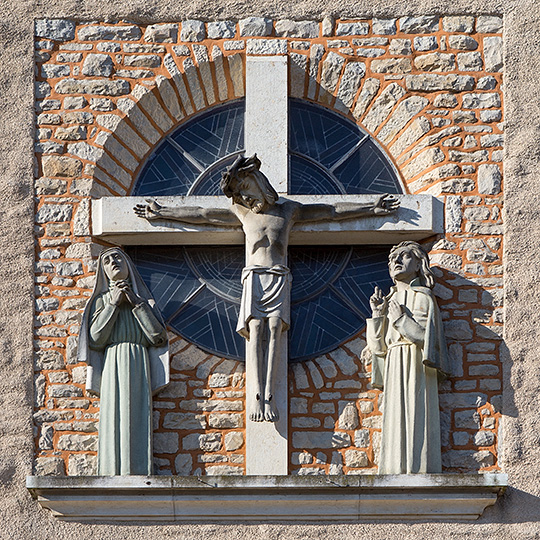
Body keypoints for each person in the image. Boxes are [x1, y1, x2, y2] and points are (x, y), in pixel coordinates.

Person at [134, 154, 399, 422]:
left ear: (256, 181)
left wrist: (370, 206)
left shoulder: (289, 211)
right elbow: (203, 215)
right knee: (256, 329)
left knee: (274, 329)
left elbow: (330, 211)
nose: (245, 198)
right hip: (254, 277)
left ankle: (269, 396)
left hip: (278, 276)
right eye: (240, 195)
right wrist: (163, 212)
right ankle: (257, 395)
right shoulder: (242, 213)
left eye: (245, 190)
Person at [78, 247, 169, 475]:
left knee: (137, 413)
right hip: (113, 361)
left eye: (118, 257)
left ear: (128, 265)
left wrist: (136, 303)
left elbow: (157, 337)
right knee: (114, 415)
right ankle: (112, 469)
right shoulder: (102, 300)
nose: (113, 262)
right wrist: (114, 304)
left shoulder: (142, 300)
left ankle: (138, 467)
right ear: (104, 271)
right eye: (107, 260)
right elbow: (96, 339)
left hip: (138, 361)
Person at [366, 241, 450, 474]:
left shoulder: (423, 297)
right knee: (394, 419)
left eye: (404, 256)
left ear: (418, 263)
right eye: (392, 258)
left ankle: (417, 467)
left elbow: (429, 340)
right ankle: (393, 467)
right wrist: (376, 315)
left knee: (415, 414)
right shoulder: (388, 301)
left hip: (415, 361)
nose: (396, 261)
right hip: (394, 361)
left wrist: (402, 320)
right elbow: (378, 348)